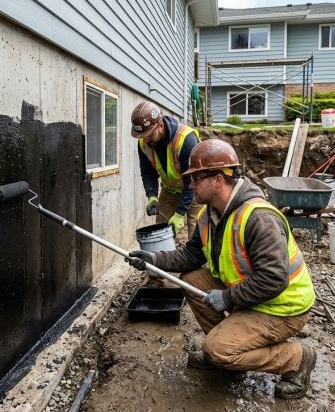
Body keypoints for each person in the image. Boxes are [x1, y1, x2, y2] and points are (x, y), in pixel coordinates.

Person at [125, 139, 317, 399]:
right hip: (251, 296)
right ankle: (231, 353)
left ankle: (296, 359)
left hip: (282, 307)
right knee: (191, 279)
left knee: (217, 350)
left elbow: (274, 279)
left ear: (218, 179)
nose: (190, 185)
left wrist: (227, 298)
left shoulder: (259, 218)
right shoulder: (210, 215)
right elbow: (190, 256)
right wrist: (153, 260)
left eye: (195, 178)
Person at [131, 101, 202, 240]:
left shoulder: (186, 140)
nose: (146, 139)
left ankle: (198, 261)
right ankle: (163, 261)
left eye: (149, 135)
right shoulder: (144, 143)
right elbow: (148, 172)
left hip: (195, 189)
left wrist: (180, 214)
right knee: (162, 231)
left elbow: (191, 179)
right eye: (142, 136)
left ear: (161, 125)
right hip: (170, 189)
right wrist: (151, 195)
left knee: (197, 234)